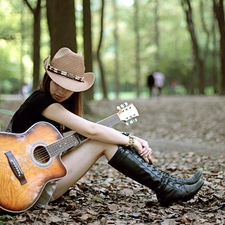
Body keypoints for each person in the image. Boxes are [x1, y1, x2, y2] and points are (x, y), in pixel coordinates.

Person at [6, 47, 203, 210]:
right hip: (24, 190)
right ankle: (166, 187)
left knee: (104, 139)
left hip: (37, 181)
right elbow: (92, 131)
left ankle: (169, 183)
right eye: (57, 83)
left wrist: (126, 136)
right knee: (100, 140)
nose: (61, 90)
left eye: (68, 87)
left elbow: (76, 138)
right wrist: (131, 140)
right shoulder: (41, 100)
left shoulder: (57, 108)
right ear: (48, 78)